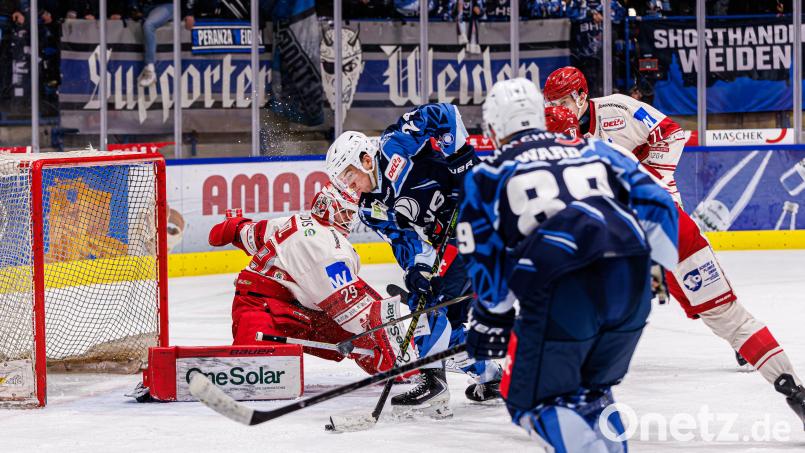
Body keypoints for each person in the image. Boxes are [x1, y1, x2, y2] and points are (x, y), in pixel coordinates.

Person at [543, 66, 805, 428]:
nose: (562, 106)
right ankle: (796, 392)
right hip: (674, 227)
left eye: (564, 100)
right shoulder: (609, 154)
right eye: (554, 102)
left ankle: (574, 401)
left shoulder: (594, 133)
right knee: (730, 316)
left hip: (631, 240)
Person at [459, 77, 679, 450]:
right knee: (593, 393)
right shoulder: (595, 150)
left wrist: (491, 319)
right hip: (632, 285)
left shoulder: (488, 175)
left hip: (565, 287)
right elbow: (658, 201)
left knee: (531, 401)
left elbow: (484, 261)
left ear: (494, 128)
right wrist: (658, 266)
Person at [325, 103, 502, 417]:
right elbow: (403, 239)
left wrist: (460, 160)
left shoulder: (396, 142)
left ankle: (433, 382)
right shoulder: (370, 209)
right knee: (435, 307)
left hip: (479, 217)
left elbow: (445, 114)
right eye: (342, 180)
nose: (348, 185)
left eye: (349, 175)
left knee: (442, 307)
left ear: (366, 160)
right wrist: (417, 270)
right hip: (449, 239)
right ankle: (491, 380)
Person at [207, 184, 407, 376]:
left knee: (362, 339)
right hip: (263, 306)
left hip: (304, 312)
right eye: (344, 212)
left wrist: (231, 227)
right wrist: (383, 336)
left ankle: (395, 365)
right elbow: (351, 305)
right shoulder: (327, 247)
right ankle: (399, 363)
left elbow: (248, 233)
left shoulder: (293, 221)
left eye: (350, 214)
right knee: (254, 371)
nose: (348, 220)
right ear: (326, 206)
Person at [134, 0, 196, 87]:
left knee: (149, 25)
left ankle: (150, 69)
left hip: (168, 4)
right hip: (146, 6)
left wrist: (189, 13)